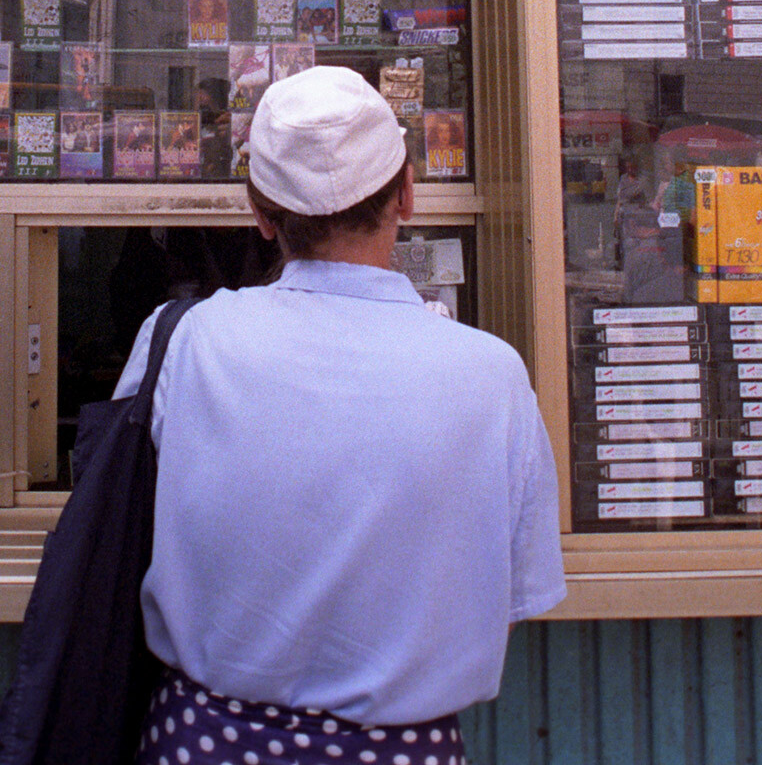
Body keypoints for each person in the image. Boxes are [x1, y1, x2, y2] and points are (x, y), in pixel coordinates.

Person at [112, 66, 565, 764]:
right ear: (407, 194)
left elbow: (127, 522)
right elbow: (517, 588)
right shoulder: (491, 374)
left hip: (200, 744)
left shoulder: (184, 341)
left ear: (261, 216)